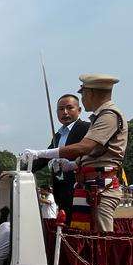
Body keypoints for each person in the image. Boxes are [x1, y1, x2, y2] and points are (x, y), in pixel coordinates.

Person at [21, 74, 128, 232]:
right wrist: (71, 165)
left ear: (91, 93)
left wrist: (39, 153)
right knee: (83, 235)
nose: (83, 99)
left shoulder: (108, 116)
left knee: (101, 239)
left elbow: (84, 147)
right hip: (87, 186)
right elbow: (94, 154)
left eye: (83, 94)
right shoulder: (98, 118)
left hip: (100, 187)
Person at [32, 93, 90, 224]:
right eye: (61, 109)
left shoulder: (86, 128)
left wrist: (71, 164)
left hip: (79, 188)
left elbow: (88, 153)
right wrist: (25, 169)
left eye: (69, 108)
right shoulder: (57, 135)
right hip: (61, 189)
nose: (65, 112)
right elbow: (45, 157)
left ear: (79, 110)